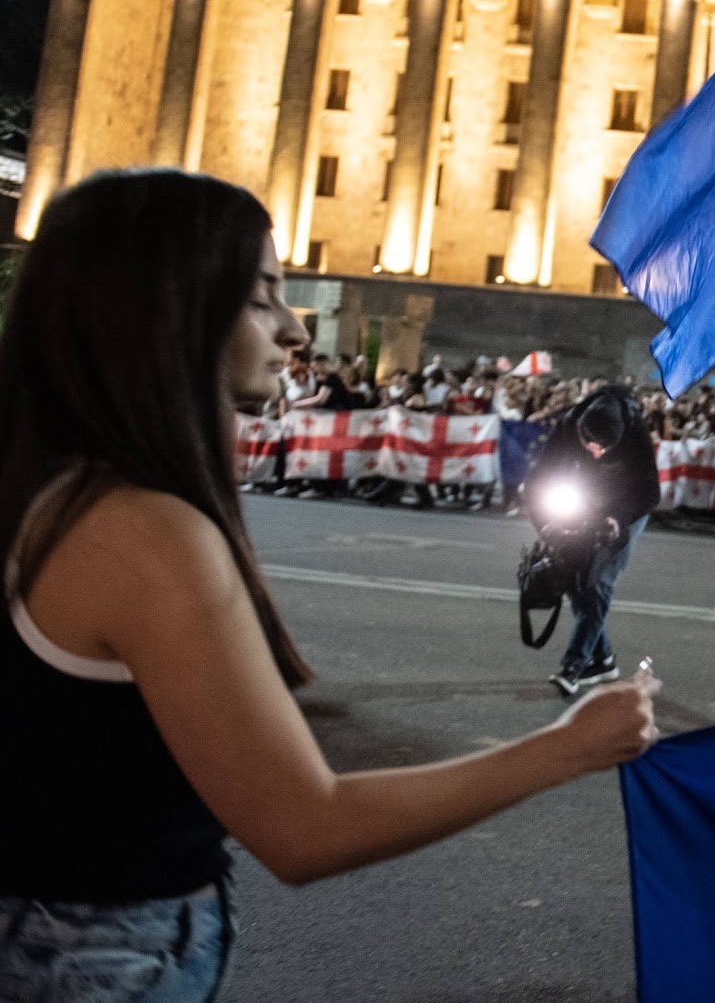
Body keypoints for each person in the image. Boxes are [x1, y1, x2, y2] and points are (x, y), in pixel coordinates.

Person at [0, 170, 656, 999]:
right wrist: (567, 745)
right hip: (98, 959)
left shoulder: (52, 489)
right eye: (263, 296)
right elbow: (302, 824)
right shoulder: (148, 532)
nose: (293, 330)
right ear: (174, 309)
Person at [523, 385, 660, 695]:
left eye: (605, 449)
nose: (597, 453)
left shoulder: (634, 429)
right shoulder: (567, 426)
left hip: (626, 508)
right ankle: (602, 660)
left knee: (598, 580)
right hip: (582, 500)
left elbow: (650, 492)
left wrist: (618, 520)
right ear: (581, 430)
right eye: (591, 445)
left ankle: (575, 664)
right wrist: (546, 525)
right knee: (573, 576)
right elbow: (537, 482)